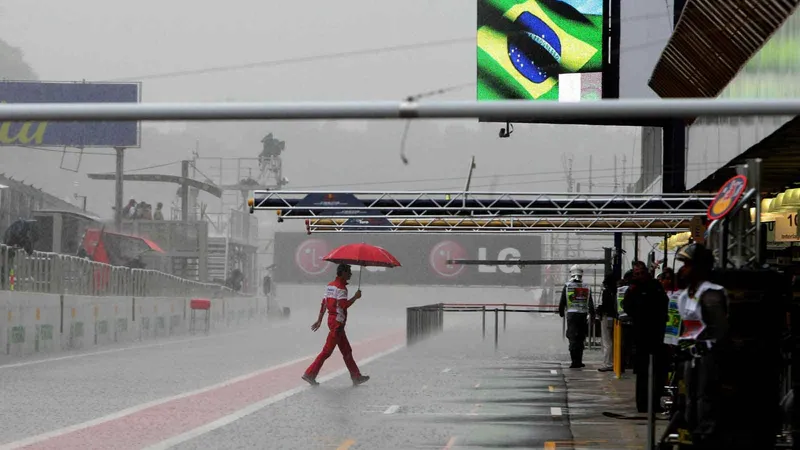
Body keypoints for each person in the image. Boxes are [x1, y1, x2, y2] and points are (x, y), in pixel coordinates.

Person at [674, 243, 733, 449]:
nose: (682, 270)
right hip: (690, 356)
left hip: (709, 356)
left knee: (706, 399)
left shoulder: (711, 294)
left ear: (699, 267)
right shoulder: (683, 296)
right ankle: (691, 434)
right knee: (689, 400)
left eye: (687, 265)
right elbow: (686, 329)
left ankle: (706, 438)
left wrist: (710, 350)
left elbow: (720, 330)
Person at [302, 264, 370, 387]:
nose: (350, 274)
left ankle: (356, 376)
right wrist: (355, 297)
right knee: (327, 351)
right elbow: (343, 306)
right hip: (338, 324)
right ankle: (309, 374)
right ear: (343, 272)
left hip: (331, 320)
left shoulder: (330, 286)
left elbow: (324, 304)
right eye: (348, 272)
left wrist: (319, 320)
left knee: (346, 350)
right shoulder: (342, 288)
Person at [622, 260, 669, 413]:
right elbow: (626, 306)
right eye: (637, 273)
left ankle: (654, 402)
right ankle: (642, 404)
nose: (639, 276)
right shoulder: (633, 289)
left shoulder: (655, 286)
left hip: (656, 334)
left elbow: (664, 304)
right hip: (641, 334)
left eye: (641, 273)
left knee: (658, 371)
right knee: (642, 372)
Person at [559, 265, 595, 369]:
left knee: (572, 337)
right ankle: (579, 360)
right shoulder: (586, 286)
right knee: (580, 338)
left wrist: (561, 312)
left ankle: (574, 361)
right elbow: (590, 302)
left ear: (571, 273)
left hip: (571, 315)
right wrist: (592, 315)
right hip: (582, 315)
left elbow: (563, 301)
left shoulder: (567, 286)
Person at [597, 272, 618, 372]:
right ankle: (613, 361)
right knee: (613, 340)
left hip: (606, 317)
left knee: (607, 341)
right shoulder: (616, 291)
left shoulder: (606, 292)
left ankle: (608, 363)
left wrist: (599, 311)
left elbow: (604, 305)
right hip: (614, 317)